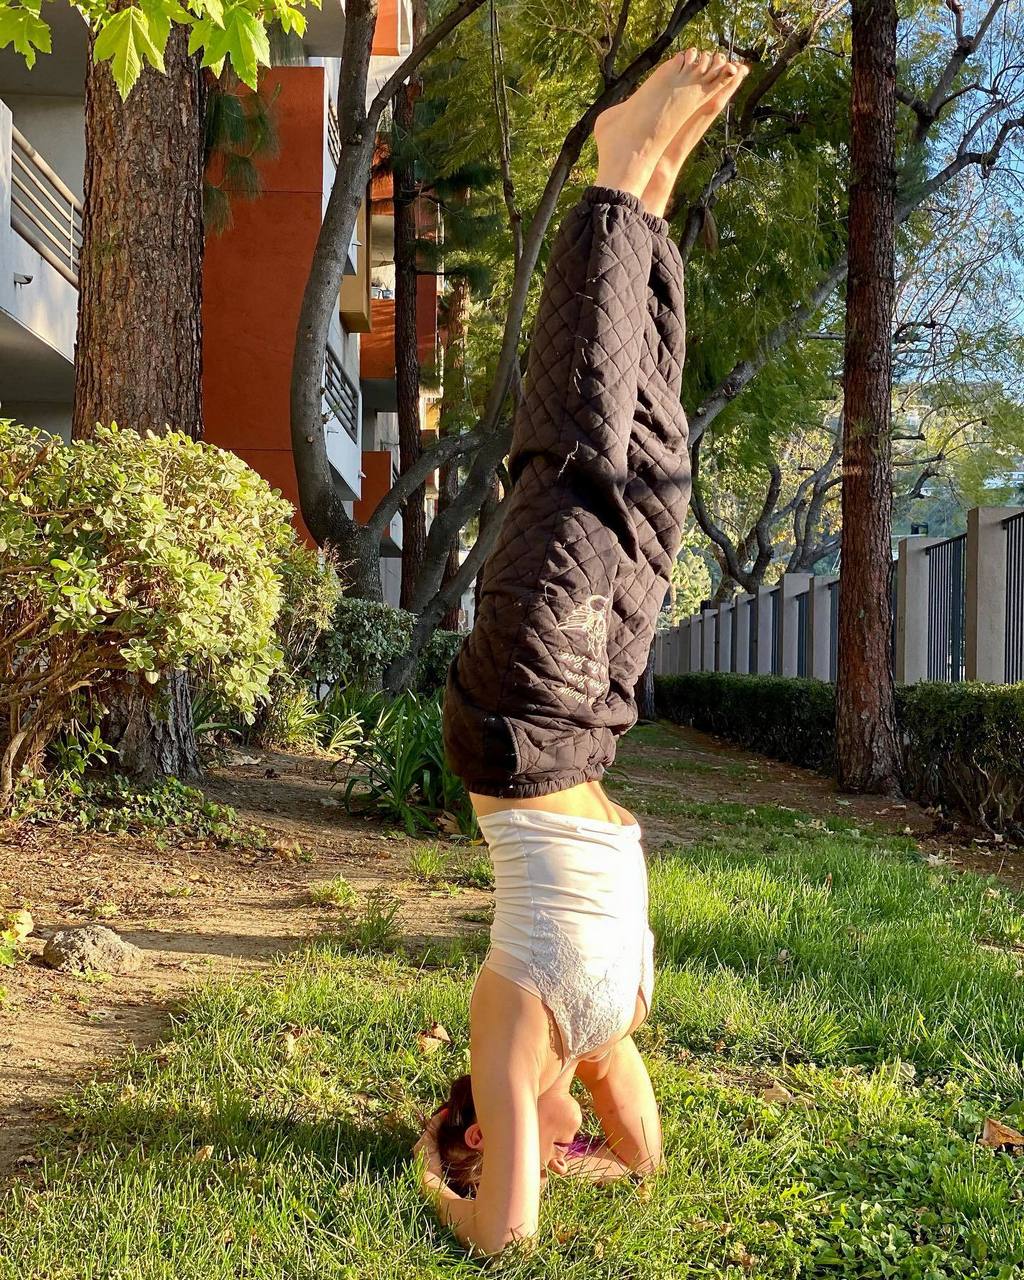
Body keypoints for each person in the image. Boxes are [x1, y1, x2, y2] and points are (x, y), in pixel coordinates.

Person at [416, 47, 749, 1255]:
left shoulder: (507, 1027)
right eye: (561, 1146)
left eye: (521, 1140)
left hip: (519, 713)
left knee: (574, 455)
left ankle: (617, 166)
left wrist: (434, 1176)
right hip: (589, 717)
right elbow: (643, 1158)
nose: (558, 1143)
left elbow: (503, 1233)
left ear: (482, 1123)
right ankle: (650, 204)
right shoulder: (602, 1035)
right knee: (654, 480)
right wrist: (588, 1160)